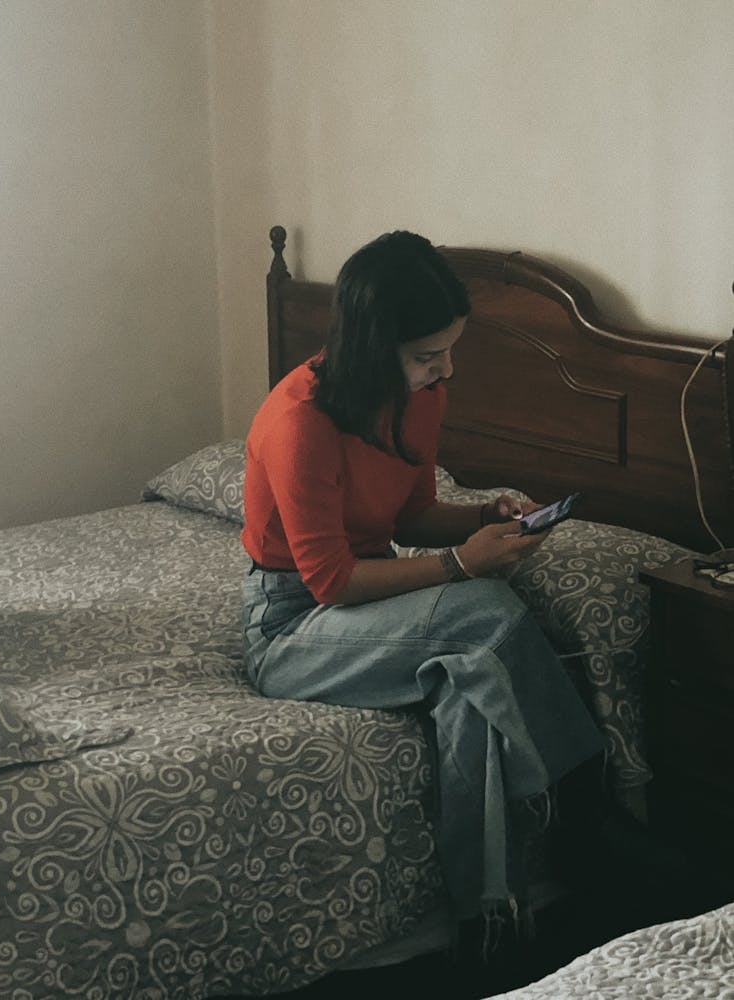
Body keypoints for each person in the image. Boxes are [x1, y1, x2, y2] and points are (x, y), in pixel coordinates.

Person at [240, 230, 606, 922]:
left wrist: (482, 515)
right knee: (485, 613)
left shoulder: (420, 398)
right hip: (292, 627)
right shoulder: (300, 421)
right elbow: (330, 583)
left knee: (466, 688)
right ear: (374, 346)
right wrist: (462, 565)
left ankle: (486, 915)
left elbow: (409, 518)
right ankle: (581, 790)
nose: (444, 371)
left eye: (449, 350)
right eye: (425, 356)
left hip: (370, 599)